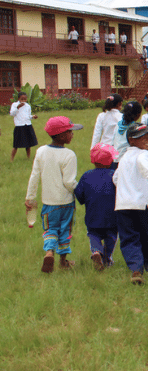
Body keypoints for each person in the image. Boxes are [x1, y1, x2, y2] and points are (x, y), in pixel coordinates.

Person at [25, 116, 83, 273]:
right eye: (70, 132)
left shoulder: (41, 151)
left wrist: (30, 198)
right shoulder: (69, 154)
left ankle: (49, 252)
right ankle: (63, 261)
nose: (72, 134)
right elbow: (69, 182)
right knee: (65, 230)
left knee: (50, 229)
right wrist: (81, 193)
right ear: (62, 135)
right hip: (66, 202)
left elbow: (34, 176)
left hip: (49, 203)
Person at [113, 123, 148, 285]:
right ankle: (145, 264)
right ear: (131, 140)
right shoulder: (144, 155)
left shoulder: (123, 157)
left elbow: (115, 178)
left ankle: (136, 268)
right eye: (143, 137)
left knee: (129, 237)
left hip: (123, 204)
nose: (147, 139)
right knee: (146, 235)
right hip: (143, 204)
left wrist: (127, 187)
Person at [74, 143, 119, 271]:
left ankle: (96, 251)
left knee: (94, 235)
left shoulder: (86, 175)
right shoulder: (114, 175)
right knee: (111, 236)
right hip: (112, 215)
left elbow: (80, 195)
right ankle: (107, 259)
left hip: (93, 214)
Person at [112, 101, 142, 166]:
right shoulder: (135, 128)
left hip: (115, 158)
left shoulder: (119, 124)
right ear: (138, 115)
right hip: (127, 160)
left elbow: (112, 141)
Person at [10, 92, 38, 161]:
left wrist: (32, 117)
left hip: (27, 125)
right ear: (19, 98)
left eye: (25, 99)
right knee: (16, 144)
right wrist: (18, 107)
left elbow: (27, 116)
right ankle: (11, 159)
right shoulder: (14, 105)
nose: (23, 100)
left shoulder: (28, 106)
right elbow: (12, 114)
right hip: (19, 126)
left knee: (28, 144)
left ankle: (28, 157)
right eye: (22, 99)